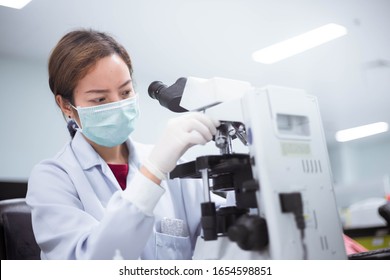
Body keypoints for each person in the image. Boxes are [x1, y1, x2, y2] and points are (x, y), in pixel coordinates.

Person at [26, 29, 223, 260]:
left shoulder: (174, 164)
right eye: (100, 99)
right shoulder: (52, 179)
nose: (118, 104)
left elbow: (220, 233)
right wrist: (153, 172)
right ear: (66, 106)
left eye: (125, 91)